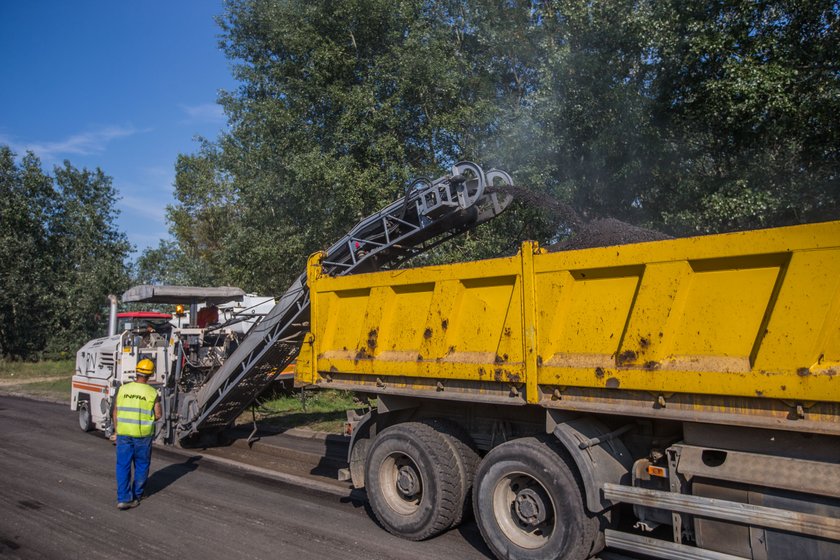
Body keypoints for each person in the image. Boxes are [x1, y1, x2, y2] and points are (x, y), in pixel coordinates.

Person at [112, 358, 162, 510]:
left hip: (124, 433)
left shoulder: (123, 389)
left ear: (136, 371)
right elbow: (158, 414)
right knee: (141, 464)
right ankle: (137, 494)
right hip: (142, 435)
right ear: (151, 374)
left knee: (123, 465)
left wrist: (116, 430)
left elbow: (115, 411)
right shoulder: (153, 393)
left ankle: (124, 499)